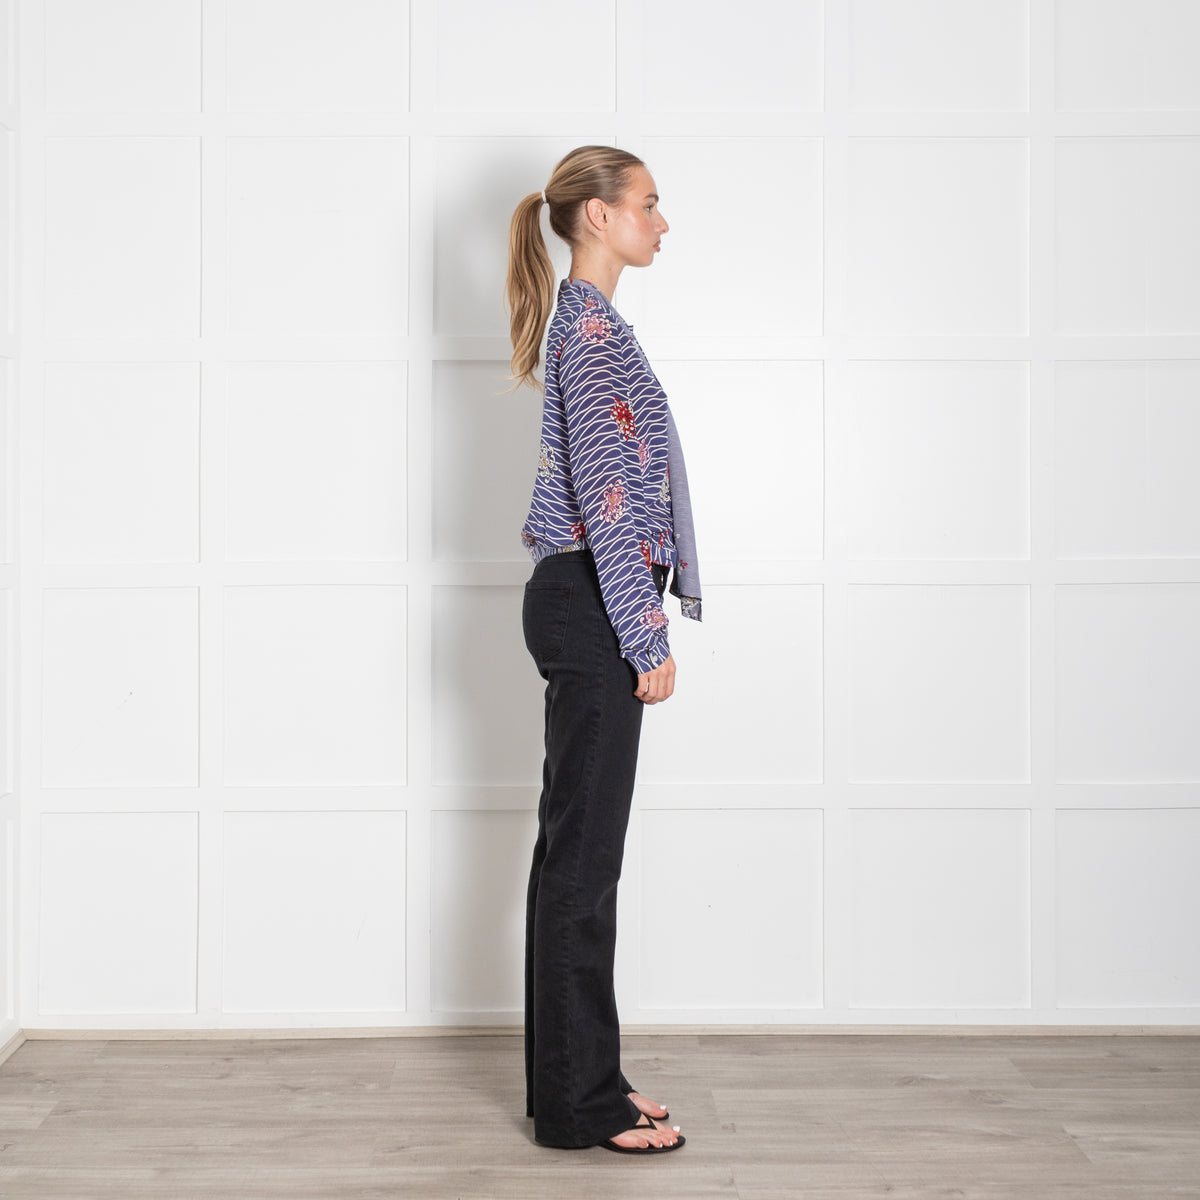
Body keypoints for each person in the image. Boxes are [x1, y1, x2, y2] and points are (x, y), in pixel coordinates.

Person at [503, 146, 703, 1155]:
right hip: (591, 603)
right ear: (598, 216)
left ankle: (583, 1085)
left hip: (586, 599)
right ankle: (581, 1103)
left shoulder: (595, 324)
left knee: (573, 862)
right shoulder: (587, 333)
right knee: (583, 868)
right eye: (649, 204)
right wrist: (644, 630)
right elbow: (611, 501)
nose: (662, 223)